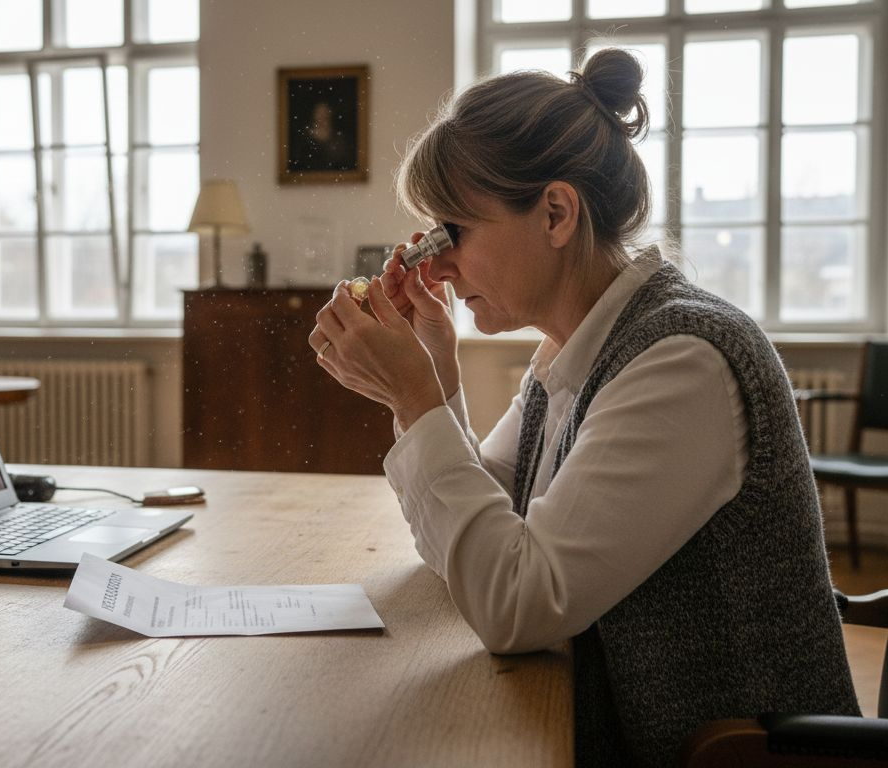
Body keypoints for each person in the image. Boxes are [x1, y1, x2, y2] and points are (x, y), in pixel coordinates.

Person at [308, 48, 859, 767]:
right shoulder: (577, 350)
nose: (435, 266)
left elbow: (514, 605)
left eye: (454, 234)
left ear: (556, 213)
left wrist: (416, 403)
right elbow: (481, 535)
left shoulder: (681, 360)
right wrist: (433, 376)